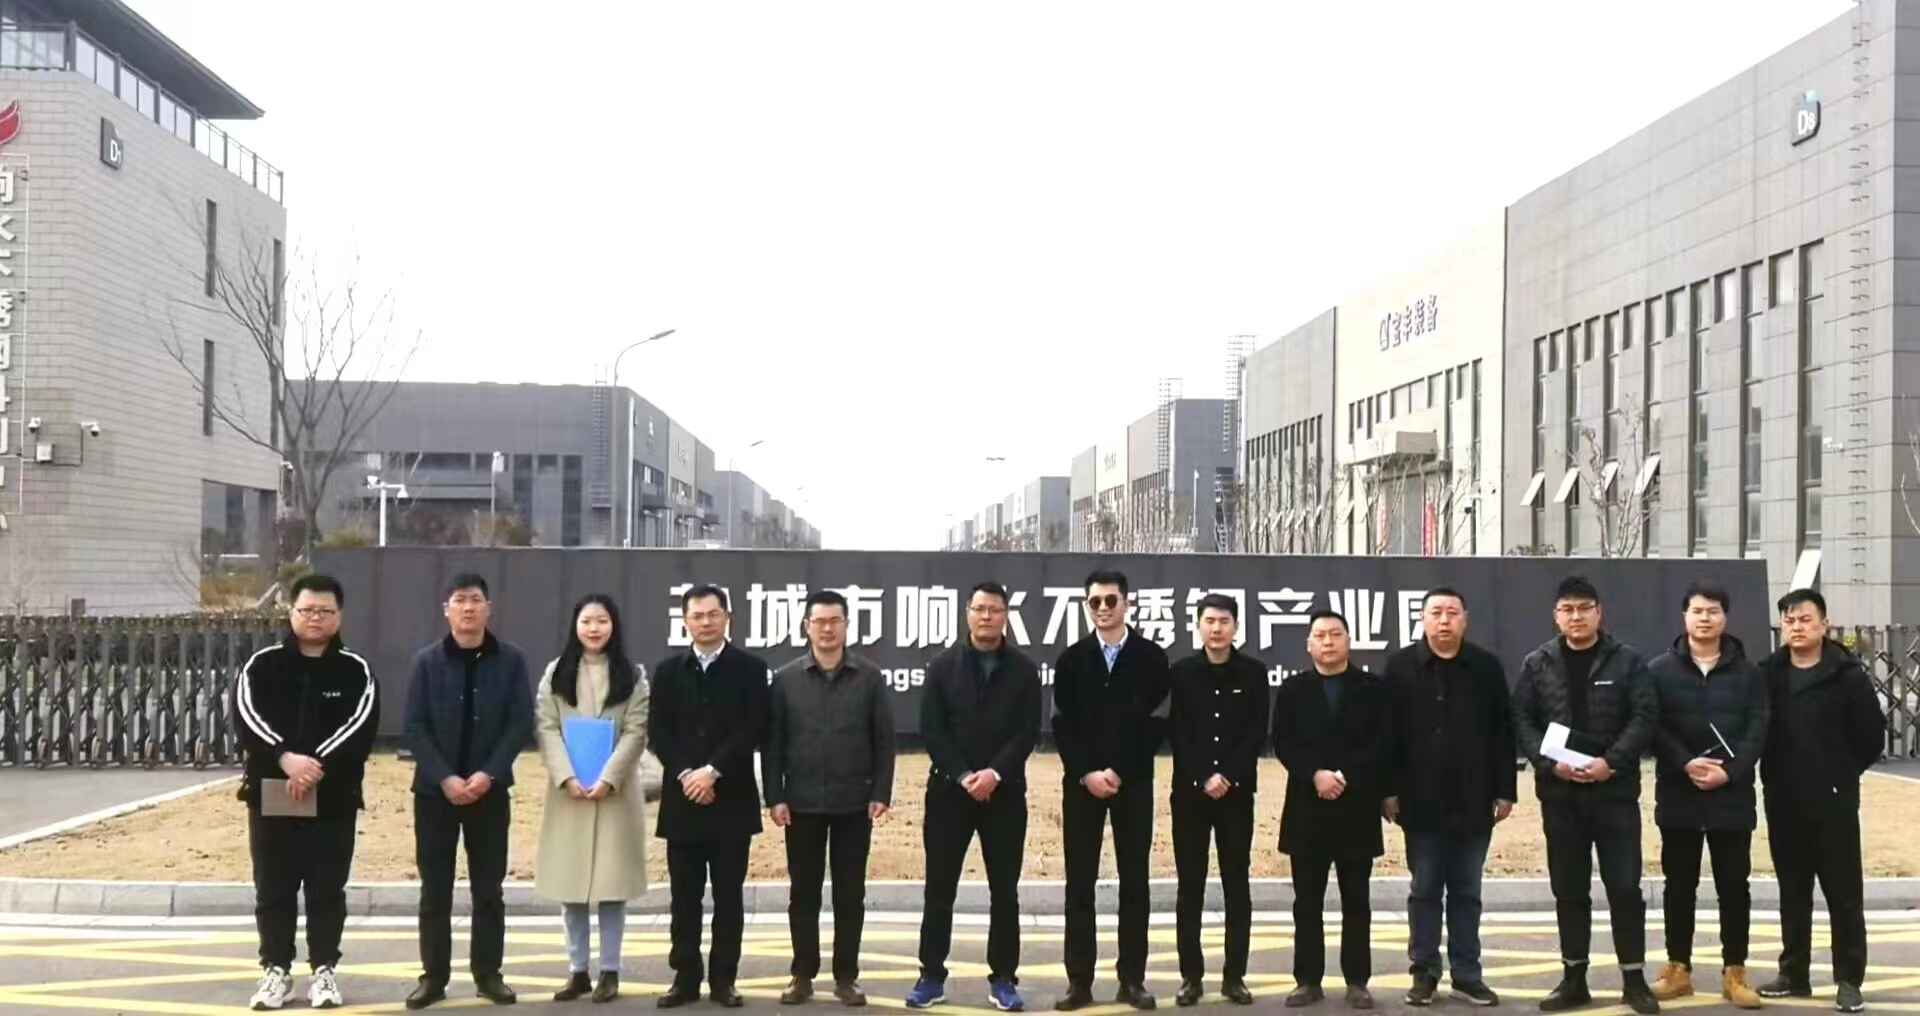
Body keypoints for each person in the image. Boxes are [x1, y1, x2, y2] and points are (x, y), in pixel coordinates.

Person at [1512, 576, 1660, 1015]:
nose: (1575, 617)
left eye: (1584, 608)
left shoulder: (1627, 661)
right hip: (1560, 795)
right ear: (1555, 616)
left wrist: (1610, 762)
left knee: (1625, 887)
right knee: (1569, 889)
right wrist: (1548, 764)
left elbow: (1644, 715)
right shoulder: (1538, 663)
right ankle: (1574, 978)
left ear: (1599, 612)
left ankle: (1634, 980)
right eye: (1567, 609)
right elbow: (1521, 719)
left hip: (1614, 792)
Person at [233, 573, 380, 1012]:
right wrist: (285, 758)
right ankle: (276, 970)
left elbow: (359, 727)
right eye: (307, 609)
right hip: (272, 791)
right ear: (291, 612)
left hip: (333, 797)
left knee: (326, 889)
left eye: (325, 611)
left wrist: (312, 767)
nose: (315, 617)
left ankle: (324, 971)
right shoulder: (262, 665)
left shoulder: (356, 671)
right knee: (273, 888)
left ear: (339, 616)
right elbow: (246, 717)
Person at [906, 581, 1042, 1013]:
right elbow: (933, 729)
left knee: (1005, 891)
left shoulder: (1024, 670)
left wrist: (994, 774)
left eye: (994, 610)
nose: (986, 616)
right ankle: (931, 975)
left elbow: (1027, 731)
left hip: (1005, 794)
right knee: (939, 888)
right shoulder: (942, 666)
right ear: (967, 613)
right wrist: (965, 774)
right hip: (950, 792)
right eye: (979, 609)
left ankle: (1003, 979)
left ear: (1005, 616)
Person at [403, 572, 534, 1010]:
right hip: (434, 793)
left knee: (489, 890)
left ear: (488, 608)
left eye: (476, 599)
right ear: (447, 609)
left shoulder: (511, 661)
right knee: (435, 889)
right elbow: (414, 727)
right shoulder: (426, 662)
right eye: (460, 600)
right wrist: (445, 777)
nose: (468, 607)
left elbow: (519, 723)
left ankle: (488, 974)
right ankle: (433, 977)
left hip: (489, 793)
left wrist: (488, 774)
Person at [764, 589, 898, 1007]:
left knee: (849, 894)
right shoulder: (786, 679)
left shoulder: (869, 677)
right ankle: (802, 974)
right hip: (800, 803)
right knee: (803, 893)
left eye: (834, 620)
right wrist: (774, 796)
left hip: (853, 803)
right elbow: (773, 744)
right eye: (819, 621)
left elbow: (884, 741)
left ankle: (846, 977)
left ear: (846, 625)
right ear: (806, 626)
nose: (826, 628)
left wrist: (880, 791)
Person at [1382, 587, 1514, 1009]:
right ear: (1422, 619)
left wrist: (1505, 790)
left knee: (1466, 891)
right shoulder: (1400, 667)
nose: (1444, 620)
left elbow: (1503, 732)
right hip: (1420, 801)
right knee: (1424, 890)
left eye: (1452, 613)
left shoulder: (1486, 667)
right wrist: (1388, 790)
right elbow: (1387, 734)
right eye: (1436, 612)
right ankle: (1424, 972)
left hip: (1474, 799)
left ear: (1465, 619)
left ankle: (1467, 975)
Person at [1757, 588, 1883, 1014]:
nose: (1797, 627)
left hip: (1834, 803)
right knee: (1793, 892)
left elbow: (1871, 736)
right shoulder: (1769, 673)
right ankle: (1794, 972)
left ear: (1824, 624)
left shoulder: (1846, 675)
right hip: (1782, 800)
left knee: (1843, 895)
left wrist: (1840, 775)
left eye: (1805, 619)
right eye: (1789, 620)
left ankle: (1848, 980)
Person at [1050, 569, 1171, 1012]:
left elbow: (1157, 721)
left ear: (1127, 603)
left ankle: (1131, 980)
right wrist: (1086, 772)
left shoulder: (1152, 658)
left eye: (1110, 600)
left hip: (1132, 783)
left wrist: (1118, 771)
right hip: (1082, 786)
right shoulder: (1071, 659)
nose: (1103, 608)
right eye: (1095, 602)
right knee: (1079, 883)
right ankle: (1079, 982)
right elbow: (1060, 722)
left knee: (1134, 883)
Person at [1645, 583, 1768, 1009]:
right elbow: (1651, 725)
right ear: (1685, 616)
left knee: (1734, 886)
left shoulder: (1749, 674)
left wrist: (1729, 772)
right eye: (1697, 611)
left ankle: (1735, 971)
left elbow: (1758, 728)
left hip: (1731, 797)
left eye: (1713, 611)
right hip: (1679, 793)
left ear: (1724, 618)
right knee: (1679, 886)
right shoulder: (1659, 671)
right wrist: (1684, 762)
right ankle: (1678, 968)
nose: (1704, 618)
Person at [648, 584, 771, 1009]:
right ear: (685, 621)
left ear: (728, 618)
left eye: (713, 614)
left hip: (731, 800)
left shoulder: (751, 669)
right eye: (697, 615)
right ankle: (685, 978)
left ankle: (724, 980)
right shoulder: (668, 672)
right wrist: (687, 774)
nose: (705, 622)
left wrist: (712, 771)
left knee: (728, 898)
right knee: (684, 898)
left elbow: (754, 727)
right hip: (683, 801)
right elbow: (659, 731)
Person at [533, 594, 651, 1004]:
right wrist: (567, 776)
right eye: (586, 621)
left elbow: (636, 731)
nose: (594, 628)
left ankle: (610, 970)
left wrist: (608, 778)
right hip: (569, 794)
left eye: (602, 620)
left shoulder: (632, 676)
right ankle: (578, 969)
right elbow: (547, 727)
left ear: (613, 625)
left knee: (612, 887)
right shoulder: (556, 673)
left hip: (615, 795)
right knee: (572, 887)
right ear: (575, 626)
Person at [1273, 610, 1390, 1010]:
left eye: (1335, 634)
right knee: (1307, 903)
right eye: (1320, 635)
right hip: (1307, 809)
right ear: (1308, 643)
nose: (1328, 641)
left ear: (1348, 641)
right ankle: (1308, 980)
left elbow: (1382, 741)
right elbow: (1283, 742)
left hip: (1357, 809)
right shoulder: (1293, 690)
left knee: (1357, 901)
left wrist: (1344, 776)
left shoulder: (1372, 688)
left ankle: (1357, 981)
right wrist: (1315, 774)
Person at [1167, 594, 1270, 1008]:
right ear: (1197, 625)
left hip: (1236, 794)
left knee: (1236, 885)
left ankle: (1234, 976)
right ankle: (1190, 977)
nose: (1216, 628)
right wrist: (1202, 776)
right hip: (1190, 795)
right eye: (1209, 620)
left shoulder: (1254, 673)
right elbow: (1177, 730)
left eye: (1224, 621)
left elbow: (1255, 731)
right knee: (1189, 887)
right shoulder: (1181, 672)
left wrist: (1228, 775)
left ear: (1236, 626)